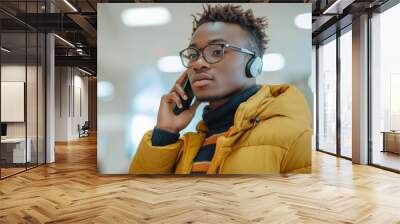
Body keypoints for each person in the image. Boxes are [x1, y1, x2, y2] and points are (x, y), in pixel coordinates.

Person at [129, 4, 312, 174]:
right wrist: (165, 134)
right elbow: (138, 202)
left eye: (217, 51)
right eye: (193, 55)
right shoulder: (187, 146)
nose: (198, 63)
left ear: (254, 64)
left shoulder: (293, 136)